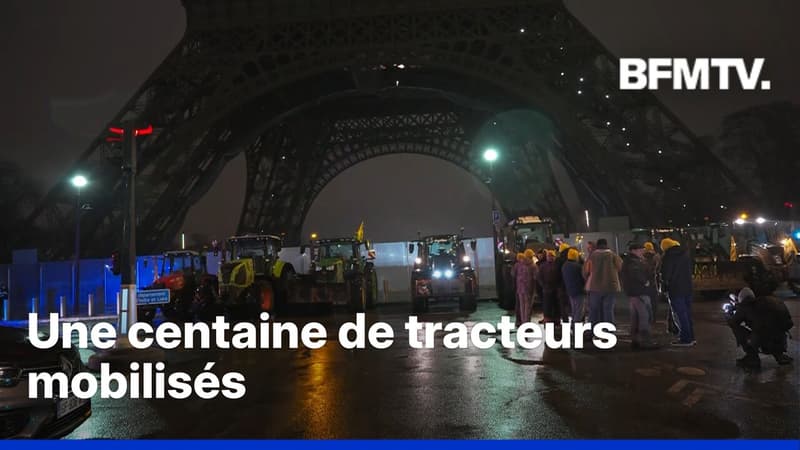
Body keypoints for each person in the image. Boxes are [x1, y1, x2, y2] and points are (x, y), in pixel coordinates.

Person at [728, 288, 793, 368]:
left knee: (737, 328)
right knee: (771, 328)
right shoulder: (772, 300)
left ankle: (752, 357)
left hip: (763, 342)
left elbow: (733, 323)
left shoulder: (745, 306)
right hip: (780, 341)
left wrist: (730, 315)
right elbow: (789, 323)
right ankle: (779, 355)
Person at [621, 243, 659, 349]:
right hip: (639, 292)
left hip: (634, 292)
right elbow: (636, 273)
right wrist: (645, 281)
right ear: (633, 250)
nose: (642, 251)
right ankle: (645, 341)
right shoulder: (634, 262)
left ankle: (635, 340)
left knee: (636, 317)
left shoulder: (630, 260)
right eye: (640, 249)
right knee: (644, 316)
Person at [660, 238, 696, 346]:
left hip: (675, 289)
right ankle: (691, 337)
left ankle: (685, 339)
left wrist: (664, 286)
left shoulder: (669, 257)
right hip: (688, 288)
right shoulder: (685, 254)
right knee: (687, 314)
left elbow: (666, 275)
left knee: (679, 314)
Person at [583, 238, 622, 325]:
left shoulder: (592, 256)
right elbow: (620, 267)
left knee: (594, 310)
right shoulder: (613, 255)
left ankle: (593, 330)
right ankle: (608, 331)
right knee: (608, 310)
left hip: (595, 287)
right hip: (610, 287)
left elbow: (586, 271)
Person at [561, 248, 585, 323]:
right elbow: (583, 277)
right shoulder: (578, 267)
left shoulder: (564, 265)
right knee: (579, 310)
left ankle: (573, 324)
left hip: (570, 290)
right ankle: (576, 326)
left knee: (574, 309)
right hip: (579, 290)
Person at [511, 252, 535, 327]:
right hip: (529, 288)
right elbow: (536, 276)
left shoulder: (518, 265)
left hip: (520, 288)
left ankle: (522, 322)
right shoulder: (532, 265)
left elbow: (512, 273)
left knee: (522, 306)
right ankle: (526, 323)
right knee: (528, 306)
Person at [538, 250, 560, 323]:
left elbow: (560, 276)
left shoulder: (557, 265)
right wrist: (543, 285)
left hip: (555, 288)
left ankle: (556, 318)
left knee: (555, 303)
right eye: (548, 256)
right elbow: (540, 276)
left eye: (551, 256)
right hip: (546, 288)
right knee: (547, 304)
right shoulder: (543, 265)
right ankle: (547, 318)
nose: (550, 257)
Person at [642, 242, 661, 324]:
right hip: (654, 282)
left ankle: (647, 318)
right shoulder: (657, 257)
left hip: (644, 283)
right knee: (654, 302)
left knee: (645, 302)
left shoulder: (642, 258)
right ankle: (654, 318)